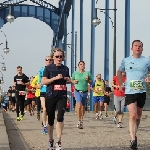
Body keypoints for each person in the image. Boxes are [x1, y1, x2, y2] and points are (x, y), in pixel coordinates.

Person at [117, 40, 150, 149]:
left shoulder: (146, 61)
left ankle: (134, 134)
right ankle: (132, 139)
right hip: (130, 91)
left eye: (140, 46)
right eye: (135, 46)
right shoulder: (126, 60)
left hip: (141, 91)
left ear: (142, 49)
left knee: (138, 115)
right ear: (132, 48)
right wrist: (121, 83)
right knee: (132, 114)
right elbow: (119, 71)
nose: (137, 48)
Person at [42, 48, 70, 149]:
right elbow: (43, 82)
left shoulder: (66, 68)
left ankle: (58, 141)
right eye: (57, 56)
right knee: (51, 119)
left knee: (60, 117)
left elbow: (67, 79)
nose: (59, 58)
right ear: (53, 57)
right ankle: (50, 139)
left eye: (61, 56)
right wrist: (54, 78)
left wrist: (69, 80)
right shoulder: (48, 68)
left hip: (62, 95)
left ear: (63, 58)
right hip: (50, 95)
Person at [72, 61, 92, 129]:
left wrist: (88, 79)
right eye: (81, 64)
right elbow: (71, 80)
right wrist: (73, 81)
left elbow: (91, 81)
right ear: (78, 66)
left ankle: (82, 119)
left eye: (83, 64)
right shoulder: (75, 73)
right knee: (79, 106)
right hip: (77, 91)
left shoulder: (87, 73)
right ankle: (79, 121)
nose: (82, 65)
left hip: (85, 91)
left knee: (83, 108)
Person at [37, 56, 53, 134]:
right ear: (45, 61)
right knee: (45, 109)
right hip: (43, 91)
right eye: (47, 60)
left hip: (51, 91)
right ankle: (45, 126)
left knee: (50, 110)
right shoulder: (41, 70)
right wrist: (39, 84)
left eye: (50, 60)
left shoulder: (54, 70)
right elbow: (39, 81)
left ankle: (49, 124)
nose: (49, 61)